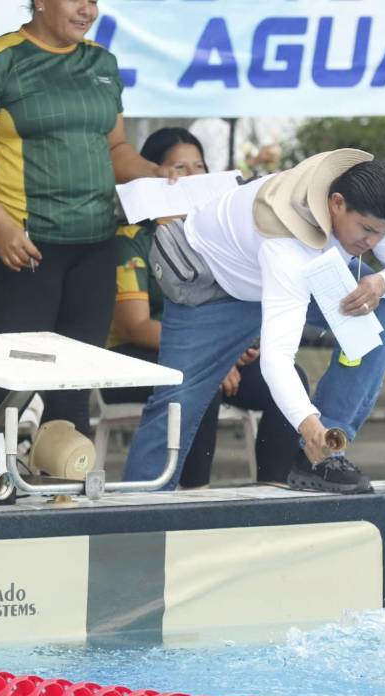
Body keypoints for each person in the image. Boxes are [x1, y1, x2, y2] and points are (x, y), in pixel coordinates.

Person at [122, 151, 385, 494]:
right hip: (212, 289)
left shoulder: (379, 200)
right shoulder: (286, 242)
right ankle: (135, 508)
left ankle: (326, 453)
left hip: (288, 273)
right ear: (337, 203)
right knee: (176, 404)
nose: (373, 243)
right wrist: (306, 424)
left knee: (382, 302)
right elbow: (276, 359)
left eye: (384, 234)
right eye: (367, 230)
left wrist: (379, 283)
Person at [0, 0, 175, 436]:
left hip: (94, 247)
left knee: (74, 384)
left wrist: (156, 173)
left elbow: (115, 150)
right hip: (23, 247)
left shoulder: (102, 63)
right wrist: (0, 227)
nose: (88, 10)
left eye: (94, 1)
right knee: (11, 385)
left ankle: (62, 492)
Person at [105, 127, 305, 487]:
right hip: (138, 357)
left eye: (199, 166)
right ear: (154, 174)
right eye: (179, 168)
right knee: (201, 384)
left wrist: (230, 348)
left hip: (216, 352)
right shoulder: (133, 240)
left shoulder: (216, 235)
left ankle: (276, 490)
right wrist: (212, 355)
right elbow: (135, 325)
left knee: (292, 380)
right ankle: (191, 493)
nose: (193, 176)